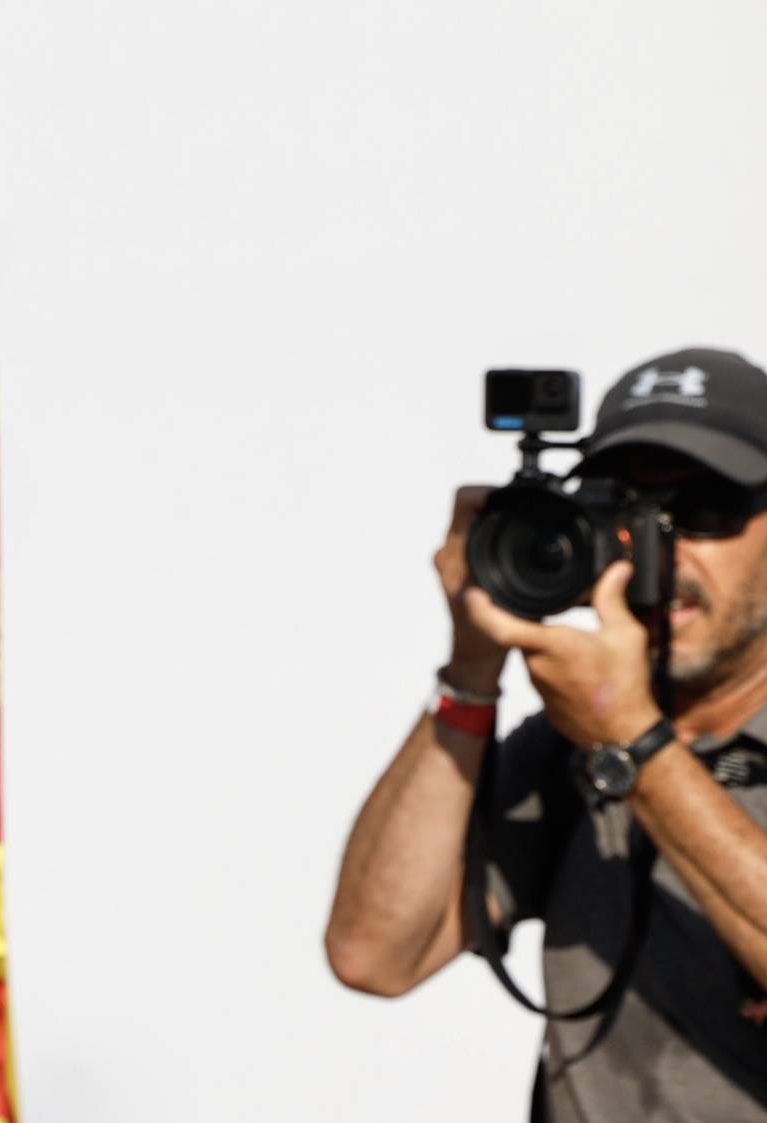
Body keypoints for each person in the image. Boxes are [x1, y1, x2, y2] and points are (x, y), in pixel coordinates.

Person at [327, 347, 767, 1119]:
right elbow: (376, 952)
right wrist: (471, 672)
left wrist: (636, 745)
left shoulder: (612, 732)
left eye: (702, 511)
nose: (660, 546)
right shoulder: (579, 738)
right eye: (624, 505)